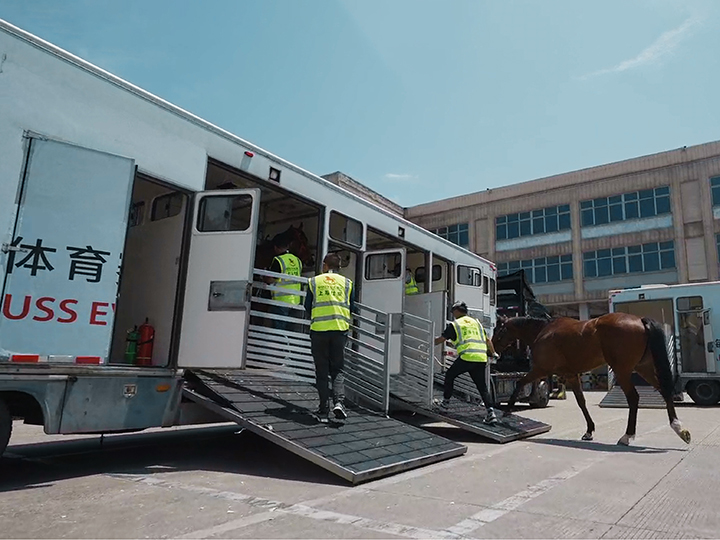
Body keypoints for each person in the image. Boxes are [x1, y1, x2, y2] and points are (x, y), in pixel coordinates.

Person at [304, 253, 355, 423]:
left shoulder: (314, 281)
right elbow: (352, 306)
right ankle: (339, 403)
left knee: (322, 371)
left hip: (319, 331)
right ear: (339, 267)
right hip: (340, 331)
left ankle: (323, 409)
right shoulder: (347, 283)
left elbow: (307, 306)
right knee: (338, 369)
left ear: (325, 265)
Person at [434, 301, 499, 425]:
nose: (452, 314)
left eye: (453, 311)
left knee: (450, 375)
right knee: (482, 387)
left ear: (457, 311)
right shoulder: (476, 323)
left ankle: (445, 404)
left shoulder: (456, 324)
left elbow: (441, 339)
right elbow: (487, 340)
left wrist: (429, 341)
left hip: (467, 357)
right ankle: (491, 413)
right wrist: (494, 353)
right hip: (480, 358)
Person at [266, 236, 303, 331]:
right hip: (295, 300)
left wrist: (264, 276)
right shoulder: (297, 260)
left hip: (281, 301)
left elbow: (271, 279)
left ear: (275, 247)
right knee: (290, 330)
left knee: (279, 329)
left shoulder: (278, 260)